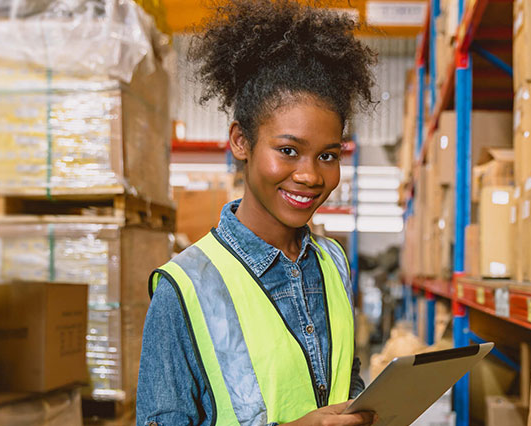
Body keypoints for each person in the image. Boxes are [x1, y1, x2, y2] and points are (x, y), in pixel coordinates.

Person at [136, 0, 377, 424]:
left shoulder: (333, 262)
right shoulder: (185, 290)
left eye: (328, 155)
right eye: (288, 151)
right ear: (241, 141)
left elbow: (345, 379)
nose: (310, 176)